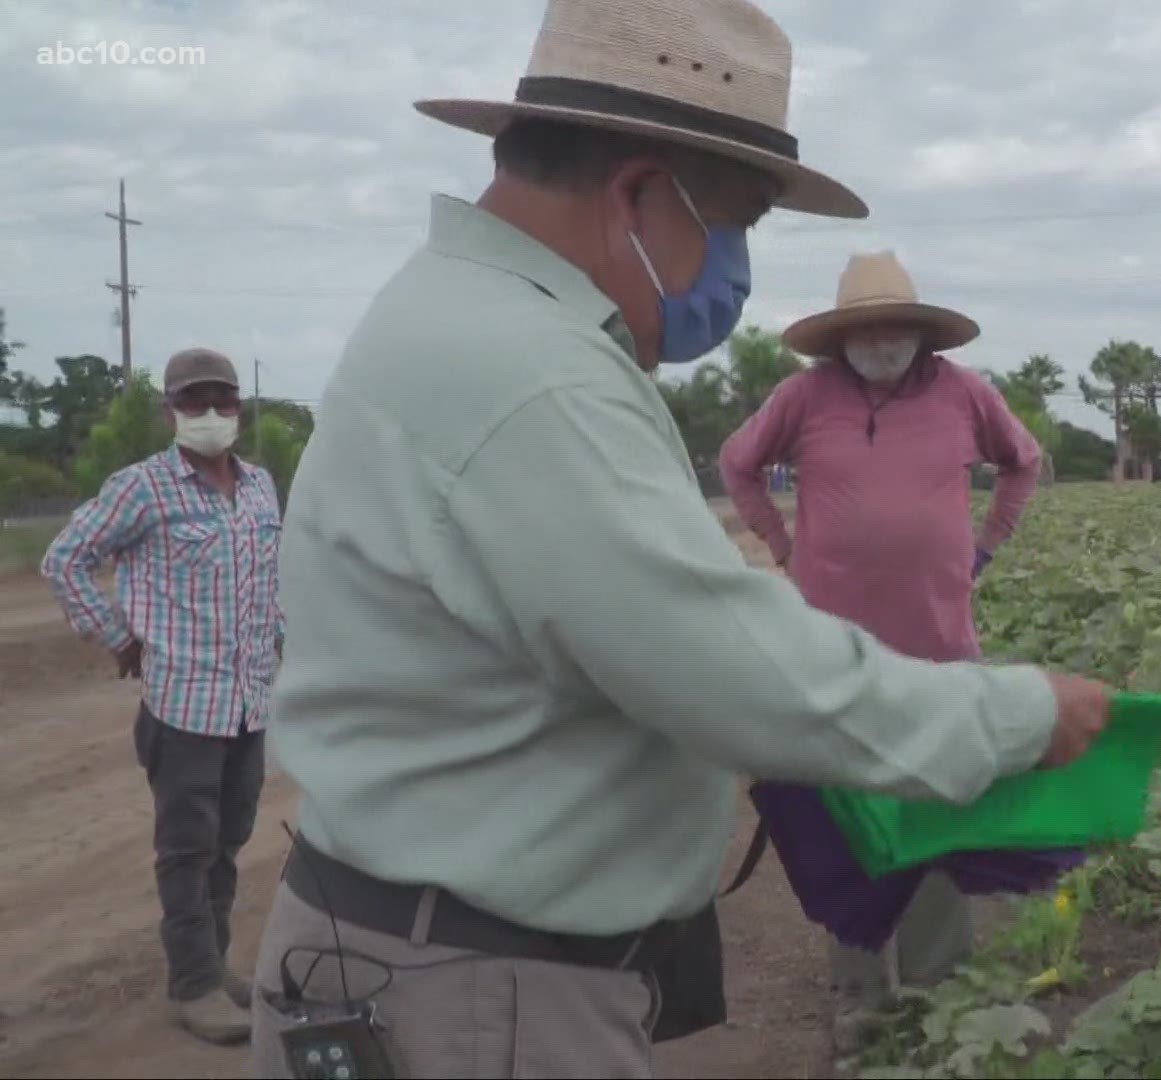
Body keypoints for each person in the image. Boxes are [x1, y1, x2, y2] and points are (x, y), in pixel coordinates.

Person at [249, 2, 1107, 1076]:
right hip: (474, 999)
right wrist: (1023, 714)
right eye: (737, 219)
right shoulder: (534, 377)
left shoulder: (466, 320)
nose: (735, 269)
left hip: (423, 961)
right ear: (641, 192)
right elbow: (728, 672)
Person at [720, 249, 1044, 1044]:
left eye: (892, 325)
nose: (879, 339)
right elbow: (738, 464)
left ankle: (942, 997)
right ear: (842, 337)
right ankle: (862, 999)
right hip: (835, 652)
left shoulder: (966, 394)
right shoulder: (804, 396)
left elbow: (1023, 462)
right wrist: (782, 546)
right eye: (863, 328)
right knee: (849, 822)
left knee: (935, 814)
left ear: (917, 331)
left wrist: (987, 547)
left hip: (940, 646)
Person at [41, 347, 281, 1046]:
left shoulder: (262, 487)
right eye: (193, 402)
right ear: (170, 410)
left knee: (230, 842)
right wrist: (116, 634)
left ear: (239, 407)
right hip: (183, 708)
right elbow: (66, 559)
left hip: (247, 703)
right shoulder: (142, 487)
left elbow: (270, 584)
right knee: (187, 849)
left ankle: (212, 963)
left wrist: (284, 641)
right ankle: (193, 985)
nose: (210, 415)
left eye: (222, 401)